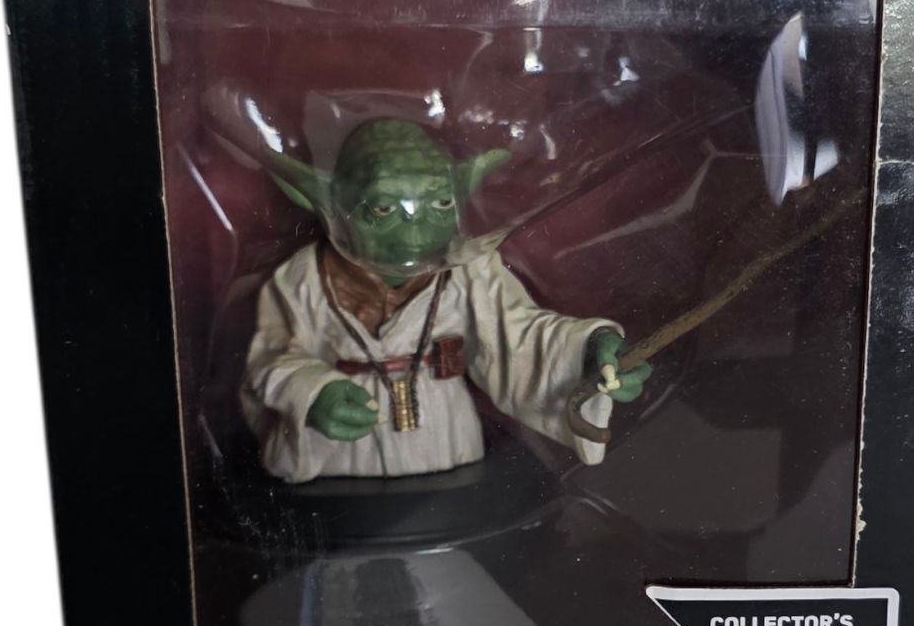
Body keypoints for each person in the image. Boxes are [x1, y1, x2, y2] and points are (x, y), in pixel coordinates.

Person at [242, 118, 650, 483]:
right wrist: (314, 392)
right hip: (340, 451)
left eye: (440, 203)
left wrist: (589, 352)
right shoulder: (304, 276)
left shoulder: (469, 269)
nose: (416, 233)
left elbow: (517, 334)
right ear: (333, 202)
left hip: (445, 442)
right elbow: (269, 357)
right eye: (383, 208)